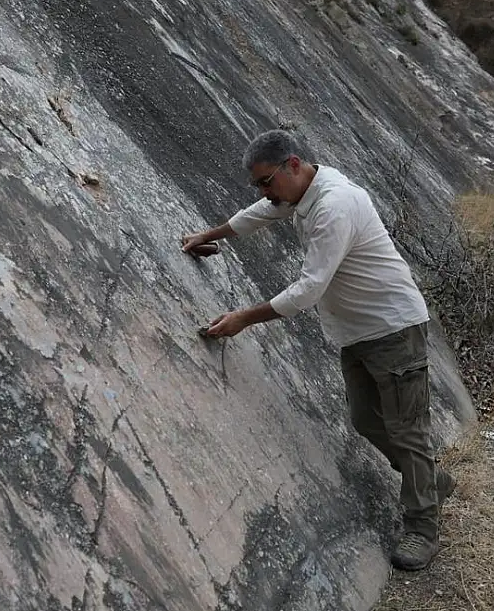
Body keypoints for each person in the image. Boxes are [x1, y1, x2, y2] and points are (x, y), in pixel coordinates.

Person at [181, 129, 456, 571]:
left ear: (292, 165)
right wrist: (207, 234)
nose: (264, 192)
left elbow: (309, 288)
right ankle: (431, 481)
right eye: (258, 185)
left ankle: (423, 526)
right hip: (356, 332)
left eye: (266, 181)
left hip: (394, 329)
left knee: (408, 432)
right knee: (367, 421)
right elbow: (259, 213)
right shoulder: (298, 193)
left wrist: (242, 320)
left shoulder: (334, 205)